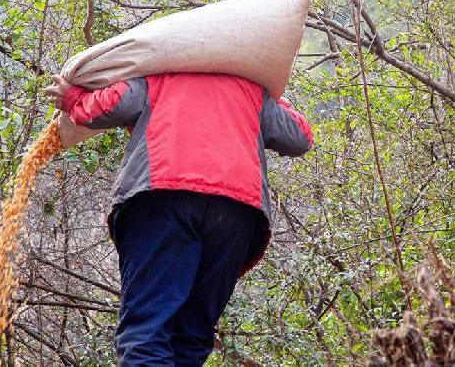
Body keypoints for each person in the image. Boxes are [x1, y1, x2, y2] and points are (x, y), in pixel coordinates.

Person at [44, 72, 313, 366]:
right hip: (235, 214)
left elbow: (105, 106)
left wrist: (71, 97)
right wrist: (280, 101)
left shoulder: (157, 75)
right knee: (192, 334)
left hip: (162, 198)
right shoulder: (251, 90)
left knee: (146, 330)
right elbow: (299, 138)